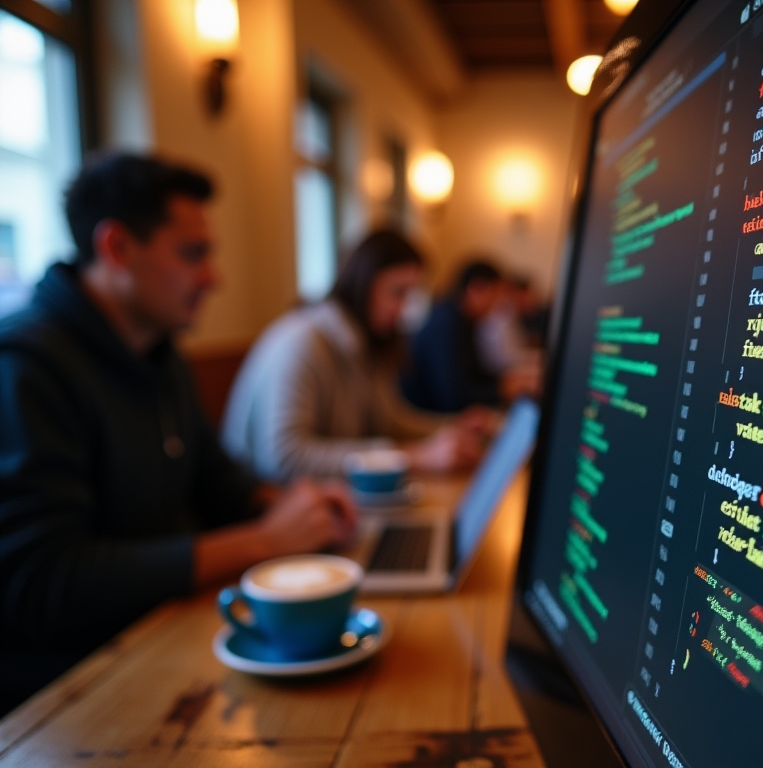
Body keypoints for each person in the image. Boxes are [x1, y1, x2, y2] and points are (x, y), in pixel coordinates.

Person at [0, 153, 357, 716]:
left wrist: (289, 504)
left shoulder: (160, 352)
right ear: (116, 248)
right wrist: (266, 541)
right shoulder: (25, 366)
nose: (214, 277)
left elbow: (215, 478)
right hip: (71, 703)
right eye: (193, 254)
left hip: (169, 641)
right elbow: (47, 582)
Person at [222, 230, 487, 483]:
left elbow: (390, 421)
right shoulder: (303, 341)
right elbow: (284, 458)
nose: (403, 309)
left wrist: (452, 428)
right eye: (398, 293)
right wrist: (413, 458)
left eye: (410, 295)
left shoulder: (366, 341)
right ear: (363, 282)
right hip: (270, 513)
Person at [402, 259, 540, 413]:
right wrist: (503, 388)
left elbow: (475, 373)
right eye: (495, 295)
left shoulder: (464, 320)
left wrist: (507, 382)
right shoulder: (446, 324)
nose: (497, 304)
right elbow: (453, 397)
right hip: (429, 419)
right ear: (476, 288)